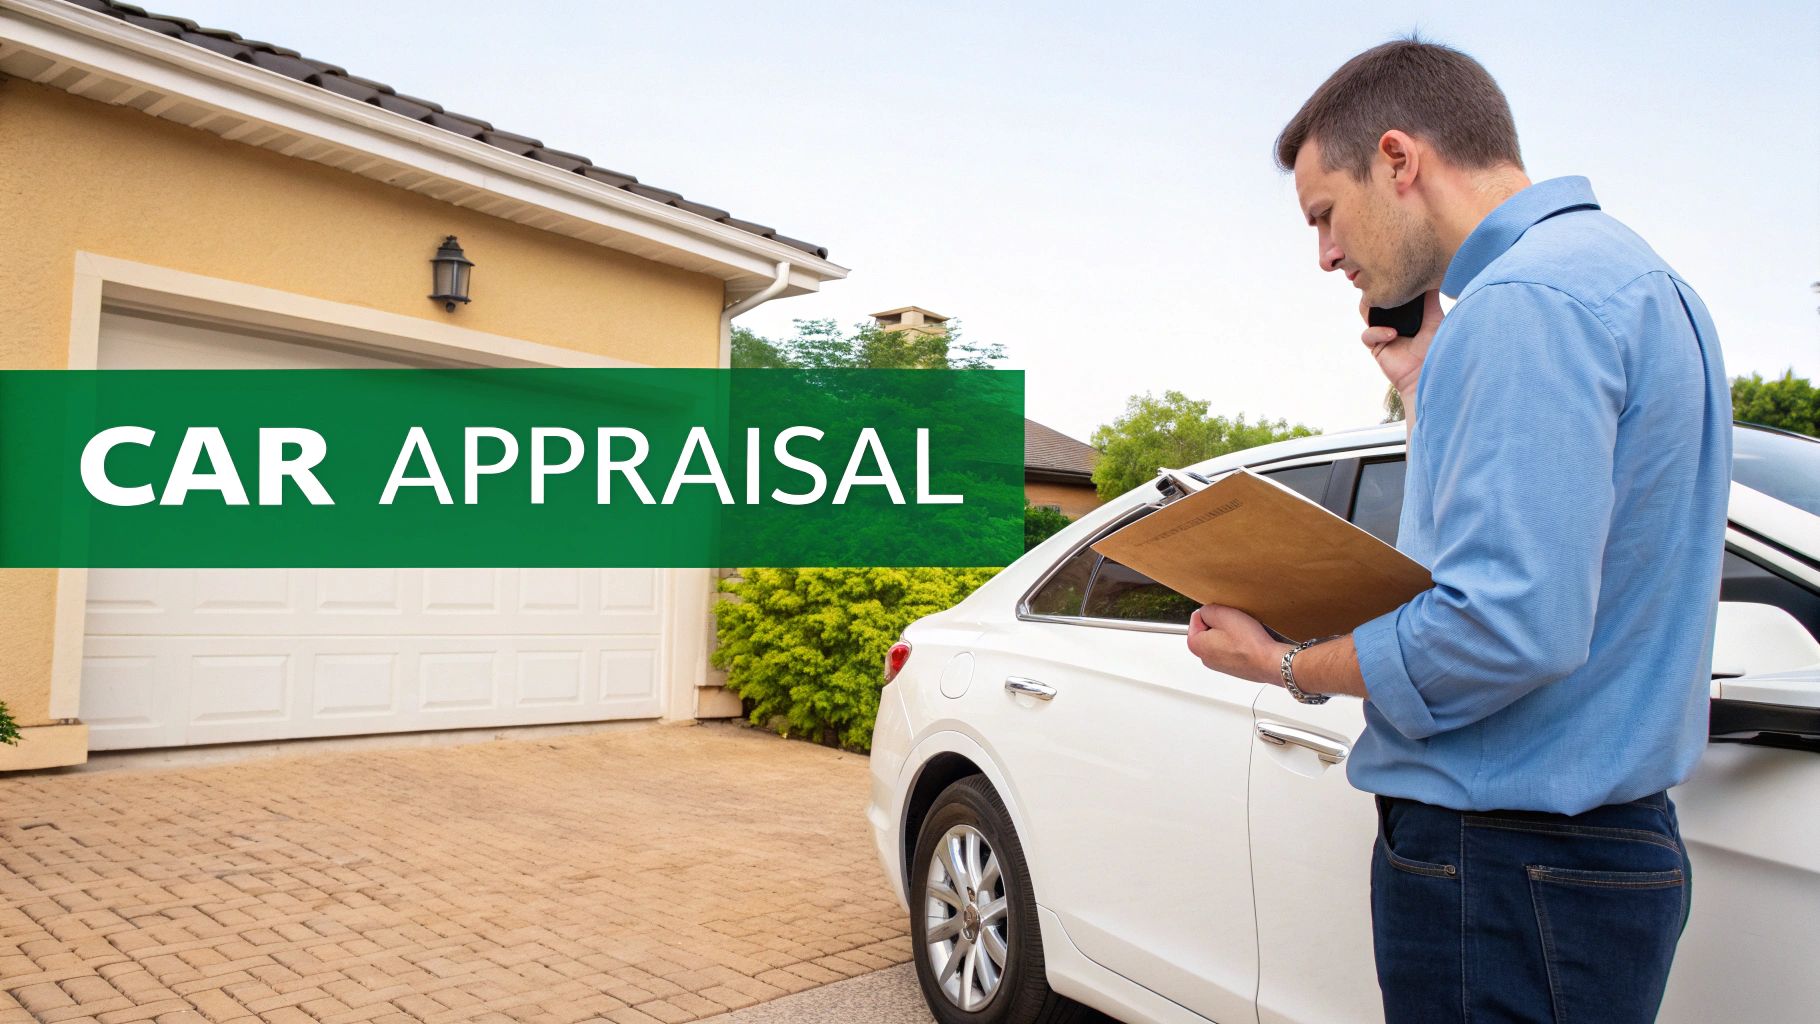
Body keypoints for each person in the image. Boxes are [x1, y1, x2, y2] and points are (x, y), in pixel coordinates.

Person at [1184, 38, 1732, 1024]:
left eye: (1323, 214)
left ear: (1398, 160)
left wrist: (1283, 663)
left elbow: (1504, 624)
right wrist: (1426, 386)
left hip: (1503, 870)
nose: (1325, 256)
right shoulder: (1635, 282)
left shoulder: (1523, 303)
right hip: (1582, 863)